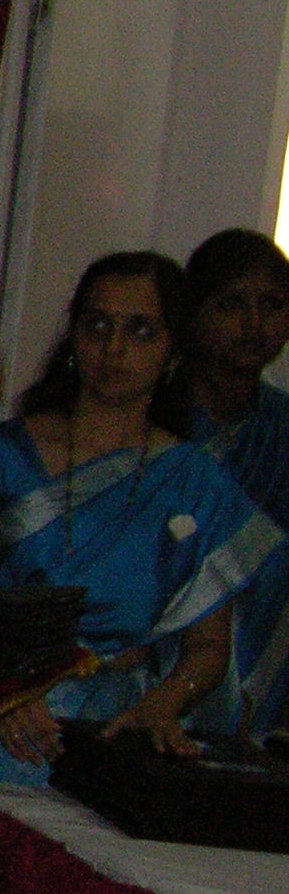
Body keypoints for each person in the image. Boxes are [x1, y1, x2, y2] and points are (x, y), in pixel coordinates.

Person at [0, 250, 275, 846]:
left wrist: (159, 708)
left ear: (173, 352)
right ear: (74, 336)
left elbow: (208, 650)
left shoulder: (195, 482)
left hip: (114, 736)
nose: (114, 348)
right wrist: (2, 691)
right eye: (98, 325)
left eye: (141, 331)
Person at [178, 227, 289, 734]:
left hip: (264, 670)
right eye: (232, 304)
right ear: (193, 312)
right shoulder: (153, 420)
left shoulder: (282, 429)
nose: (254, 324)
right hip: (150, 659)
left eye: (272, 305)